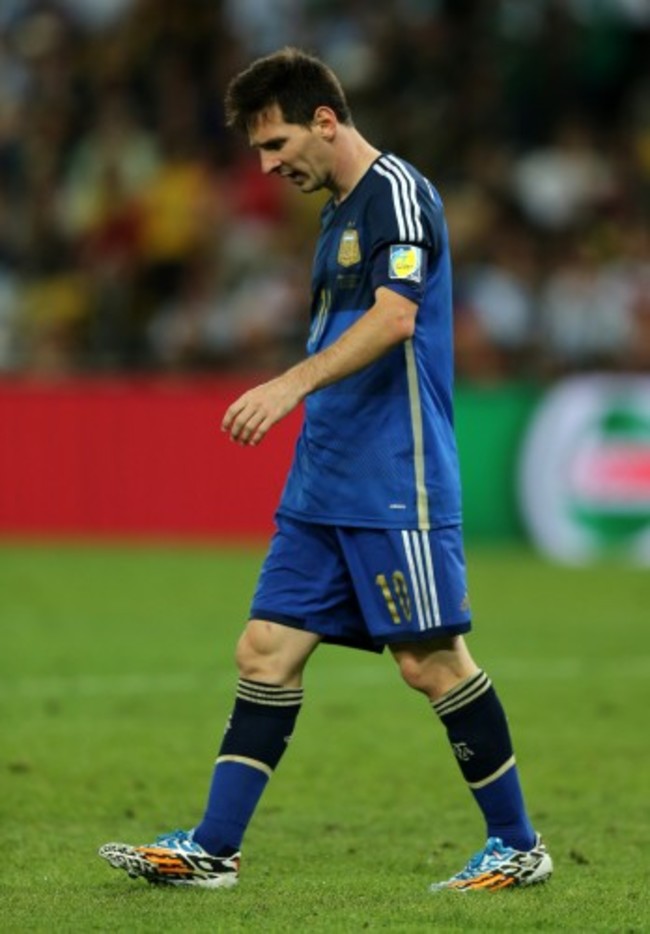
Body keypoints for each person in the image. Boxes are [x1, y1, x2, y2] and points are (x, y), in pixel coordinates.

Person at [99, 47, 553, 893]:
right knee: (265, 649)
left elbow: (395, 319)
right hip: (326, 475)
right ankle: (214, 848)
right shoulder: (337, 212)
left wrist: (287, 384)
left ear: (324, 120)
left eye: (275, 146)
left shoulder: (399, 195)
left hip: (395, 472)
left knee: (431, 663)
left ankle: (518, 844)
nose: (270, 167)